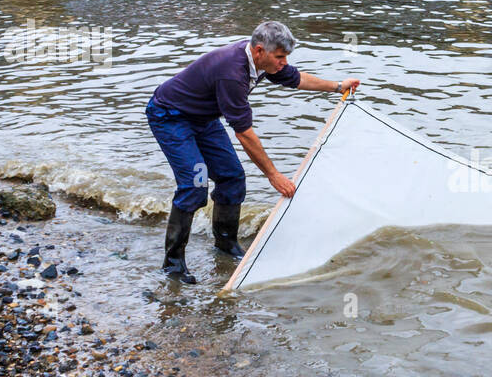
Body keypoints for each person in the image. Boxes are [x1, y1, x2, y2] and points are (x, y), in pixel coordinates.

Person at [146, 21, 360, 284]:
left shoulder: (263, 63)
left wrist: (338, 86)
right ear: (260, 51)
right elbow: (244, 133)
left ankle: (225, 245)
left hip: (204, 119)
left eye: (286, 57)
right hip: (171, 117)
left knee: (232, 177)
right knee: (194, 184)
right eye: (280, 57)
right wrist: (273, 175)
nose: (284, 63)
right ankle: (173, 264)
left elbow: (297, 78)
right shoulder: (232, 73)